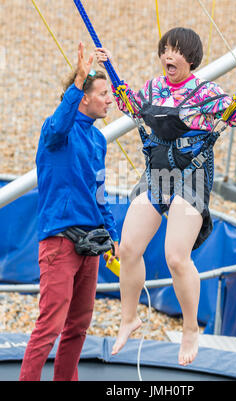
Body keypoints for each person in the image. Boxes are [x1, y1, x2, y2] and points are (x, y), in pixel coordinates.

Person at [96, 27, 236, 366]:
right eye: (165, 50)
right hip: (158, 173)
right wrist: (111, 67)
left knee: (176, 256)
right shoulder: (153, 87)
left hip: (192, 174)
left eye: (175, 51)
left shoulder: (206, 93)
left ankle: (191, 328)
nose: (167, 56)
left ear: (190, 59)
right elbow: (130, 105)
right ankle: (128, 318)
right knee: (129, 247)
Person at [19, 42, 119, 381]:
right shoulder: (55, 131)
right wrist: (77, 80)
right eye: (104, 93)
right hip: (60, 243)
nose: (110, 99)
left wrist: (112, 235)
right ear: (84, 97)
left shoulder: (98, 140)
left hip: (89, 244)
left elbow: (100, 191)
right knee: (50, 326)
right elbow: (62, 122)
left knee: (78, 326)